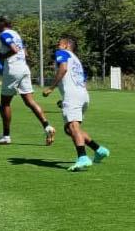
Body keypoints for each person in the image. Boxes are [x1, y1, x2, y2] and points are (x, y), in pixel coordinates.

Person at [43, 37, 110, 171]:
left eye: (60, 42)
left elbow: (63, 68)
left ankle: (82, 157)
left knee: (73, 126)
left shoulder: (62, 53)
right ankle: (99, 150)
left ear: (67, 45)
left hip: (73, 95)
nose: (58, 44)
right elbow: (82, 79)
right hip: (83, 95)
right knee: (70, 129)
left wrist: (51, 87)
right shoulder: (77, 60)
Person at [0, 16, 55, 145]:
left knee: (5, 103)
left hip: (13, 69)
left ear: (2, 24)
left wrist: (2, 56)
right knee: (30, 101)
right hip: (24, 68)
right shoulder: (17, 34)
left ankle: (6, 136)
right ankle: (47, 126)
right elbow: (25, 53)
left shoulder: (4, 34)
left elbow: (14, 50)